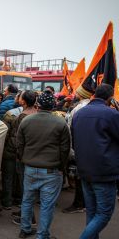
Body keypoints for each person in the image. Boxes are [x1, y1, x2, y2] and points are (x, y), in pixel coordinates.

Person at [17, 90, 70, 239]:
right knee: (47, 205)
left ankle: (25, 229)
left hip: (30, 168)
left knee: (27, 200)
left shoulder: (26, 121)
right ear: (53, 106)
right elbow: (65, 149)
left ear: (37, 104)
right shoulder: (60, 122)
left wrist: (23, 159)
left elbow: (19, 145)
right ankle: (42, 235)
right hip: (51, 170)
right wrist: (61, 167)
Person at [72, 84, 119, 239]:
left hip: (84, 169)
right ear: (110, 97)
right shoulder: (111, 114)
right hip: (104, 171)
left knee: (92, 212)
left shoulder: (79, 113)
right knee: (104, 214)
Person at [62, 85, 91, 214]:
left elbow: (70, 127)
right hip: (88, 146)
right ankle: (85, 202)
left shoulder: (79, 108)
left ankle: (80, 204)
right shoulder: (89, 106)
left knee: (79, 176)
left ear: (81, 94)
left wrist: (70, 149)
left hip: (77, 145)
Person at [10, 90, 37, 225]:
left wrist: (18, 155)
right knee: (29, 187)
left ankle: (29, 217)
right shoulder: (37, 113)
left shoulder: (22, 116)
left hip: (24, 157)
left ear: (23, 102)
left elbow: (17, 139)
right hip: (35, 155)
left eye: (20, 97)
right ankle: (24, 212)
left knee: (25, 188)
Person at [1, 91, 23, 210]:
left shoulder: (10, 114)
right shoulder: (35, 113)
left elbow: (5, 133)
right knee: (21, 176)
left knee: (8, 176)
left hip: (10, 149)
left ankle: (7, 201)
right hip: (24, 151)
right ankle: (19, 199)